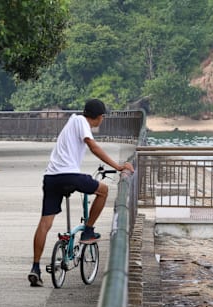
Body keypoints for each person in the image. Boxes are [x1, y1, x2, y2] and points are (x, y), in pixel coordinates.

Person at [28, 99, 134, 287]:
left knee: (45, 223)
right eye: (102, 117)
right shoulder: (82, 123)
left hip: (51, 177)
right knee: (103, 190)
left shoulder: (73, 120)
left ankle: (35, 268)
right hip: (69, 176)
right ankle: (88, 230)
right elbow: (92, 146)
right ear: (99, 117)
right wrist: (118, 166)